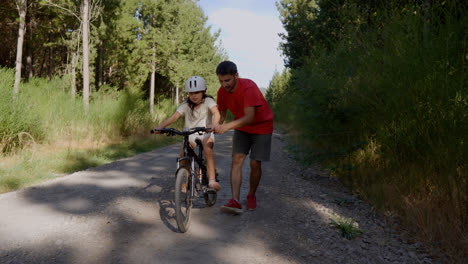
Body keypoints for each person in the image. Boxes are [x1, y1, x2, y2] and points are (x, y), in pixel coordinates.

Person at [213, 61, 274, 214]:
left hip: (262, 126)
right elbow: (221, 114)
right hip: (242, 127)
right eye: (221, 81)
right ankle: (235, 200)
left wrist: (226, 127)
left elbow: (250, 117)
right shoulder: (222, 92)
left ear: (236, 76)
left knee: (255, 163)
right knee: (237, 159)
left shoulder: (248, 87)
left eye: (227, 80)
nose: (224, 84)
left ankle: (251, 195)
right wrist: (215, 125)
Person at [154, 76, 221, 191]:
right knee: (184, 154)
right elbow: (174, 117)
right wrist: (161, 127)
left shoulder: (208, 101)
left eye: (197, 92)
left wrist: (213, 125)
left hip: (206, 131)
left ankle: (212, 181)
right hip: (191, 133)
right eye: (191, 93)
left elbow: (216, 113)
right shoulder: (186, 104)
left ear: (203, 91)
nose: (194, 96)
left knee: (207, 150)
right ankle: (184, 181)